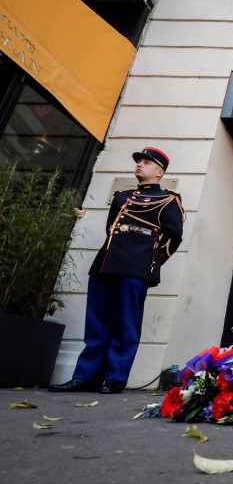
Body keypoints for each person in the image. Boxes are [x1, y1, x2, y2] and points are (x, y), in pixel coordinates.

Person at [50, 147, 185, 394]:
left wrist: (151, 262)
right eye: (139, 161)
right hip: (107, 263)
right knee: (97, 323)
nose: (139, 164)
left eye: (146, 162)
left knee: (126, 324)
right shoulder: (122, 197)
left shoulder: (168, 199)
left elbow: (173, 237)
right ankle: (86, 376)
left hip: (136, 267)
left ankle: (114, 378)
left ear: (160, 172)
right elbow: (111, 229)